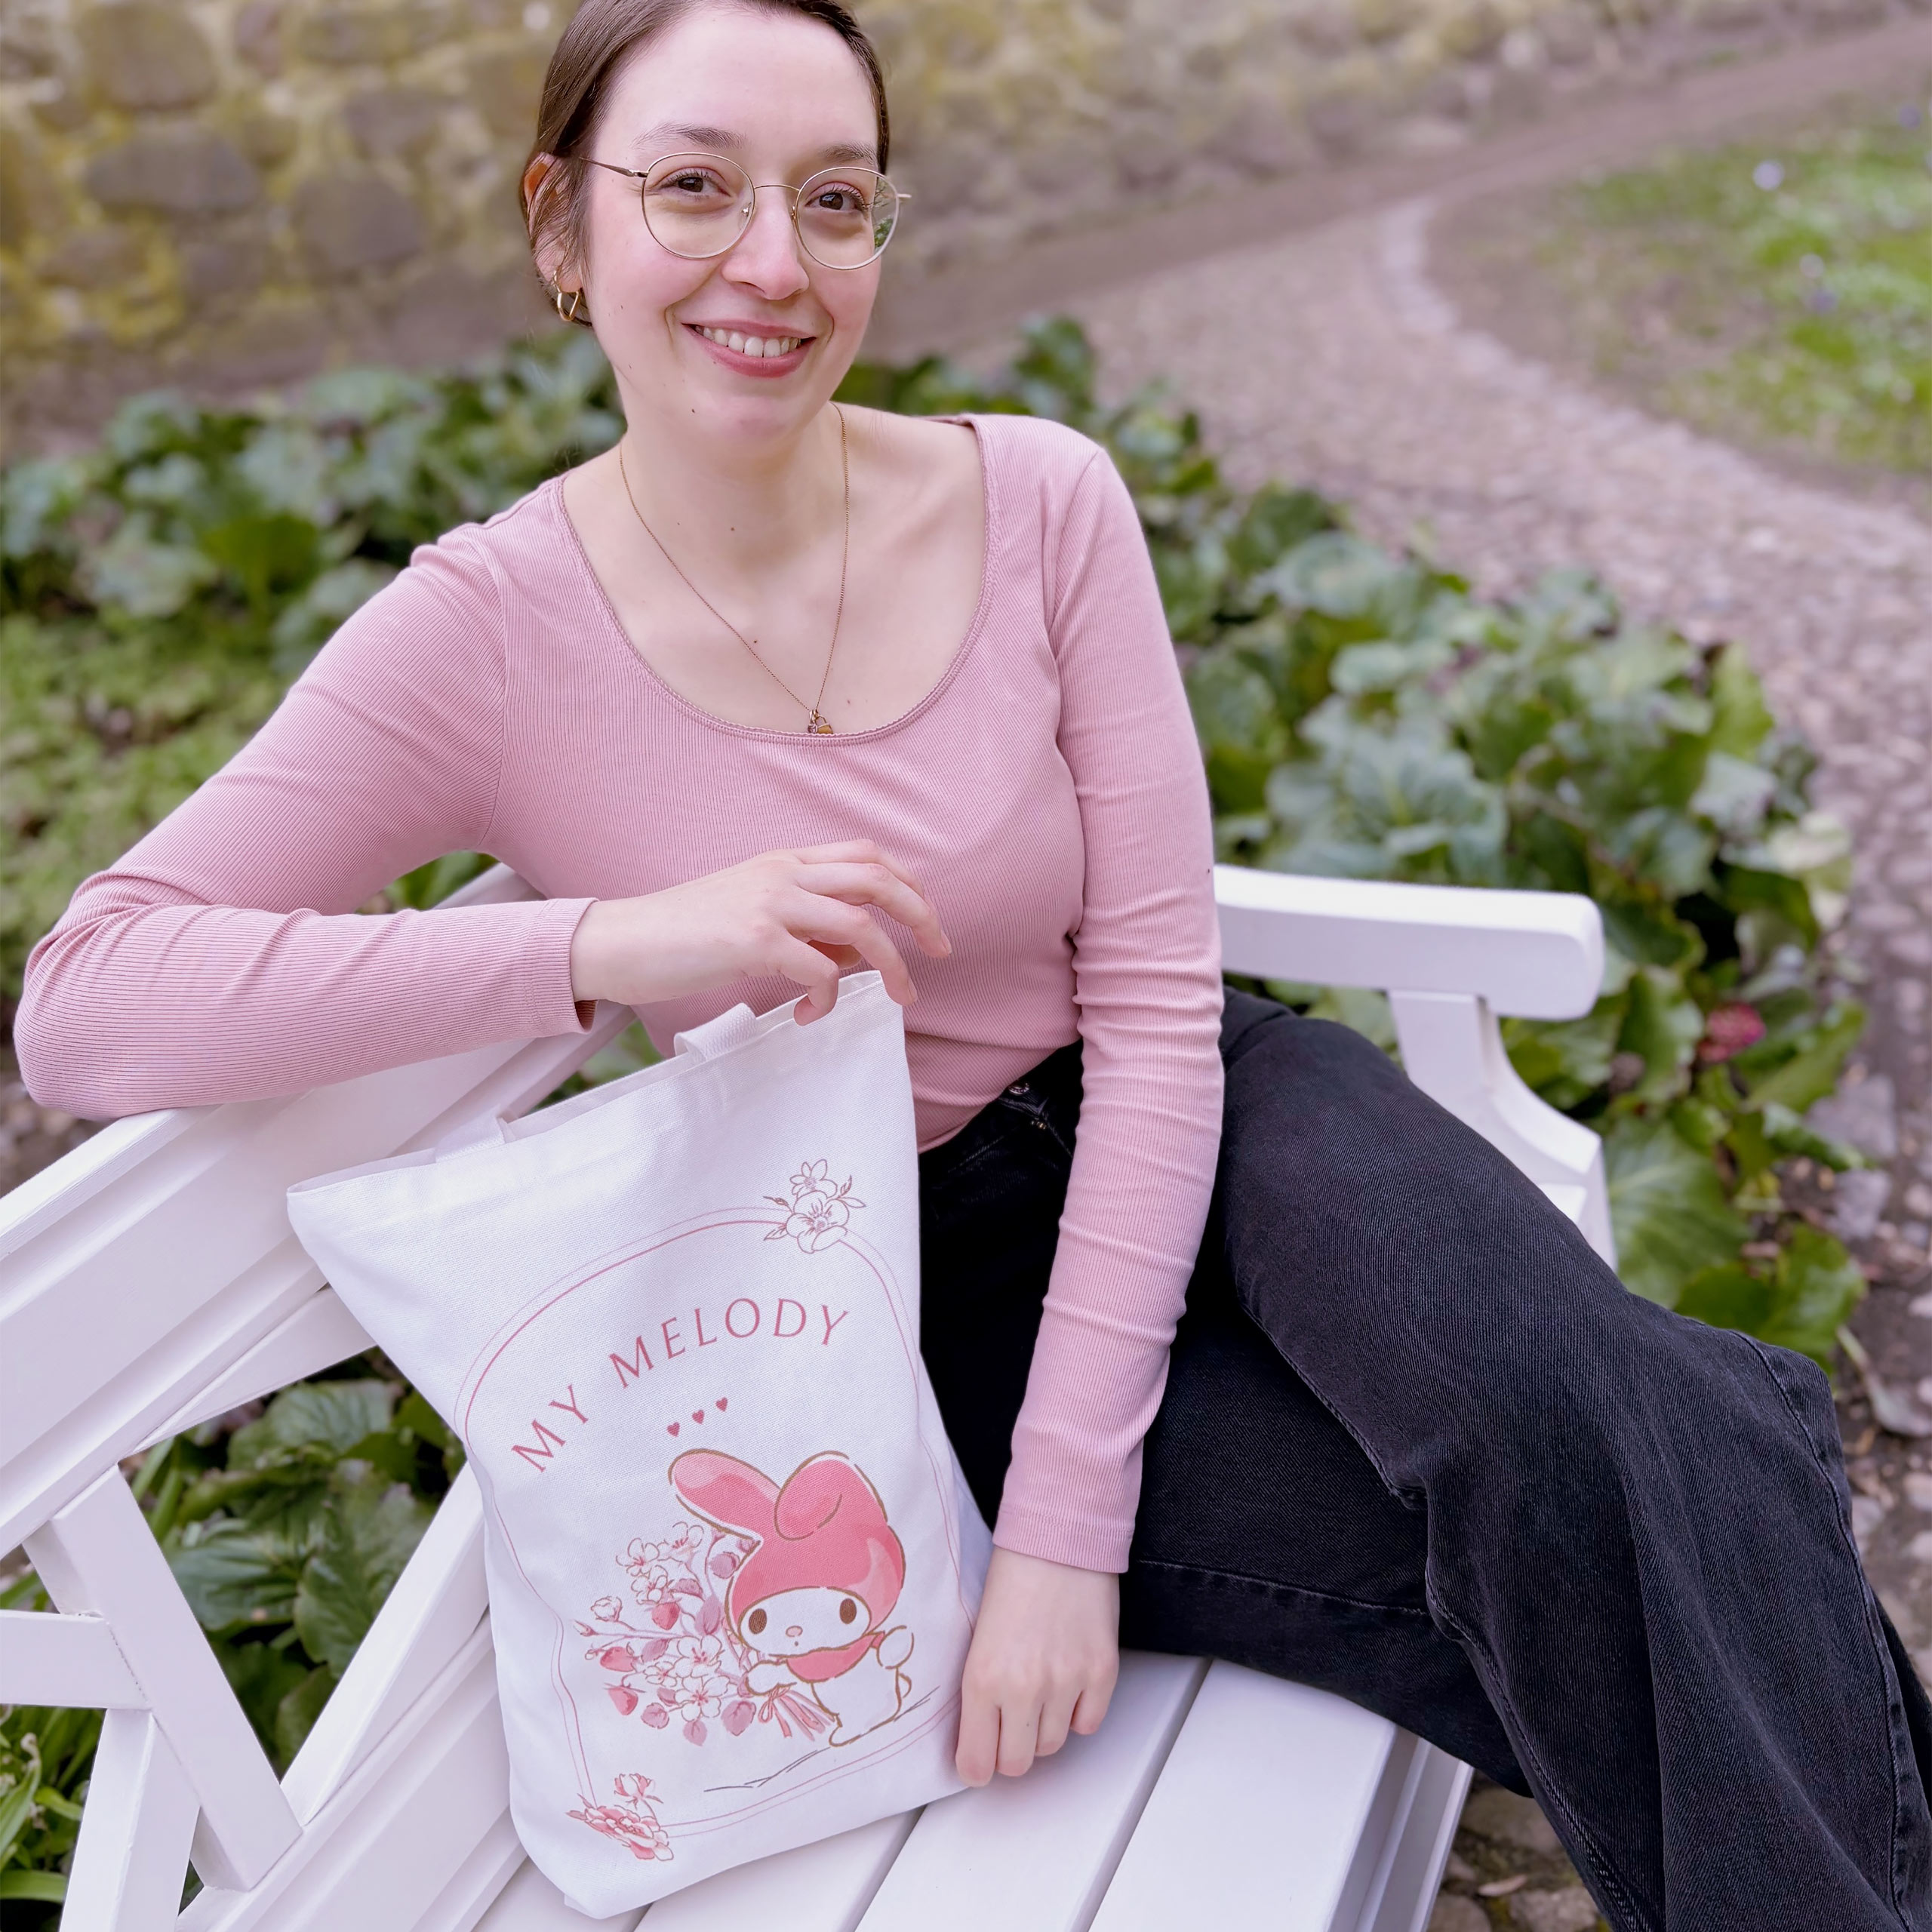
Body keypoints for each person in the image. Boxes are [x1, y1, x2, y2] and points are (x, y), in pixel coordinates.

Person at [16, 1, 1930, 1922]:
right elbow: (94, 997)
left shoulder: (1039, 498)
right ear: (558, 225)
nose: (773, 260)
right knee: (1600, 1528)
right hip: (914, 1279)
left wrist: (1065, 1532)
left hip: (1208, 1107)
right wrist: (607, 941)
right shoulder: (483, 630)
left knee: (1563, 1415)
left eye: (831, 198)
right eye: (692, 188)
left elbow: (1161, 993)